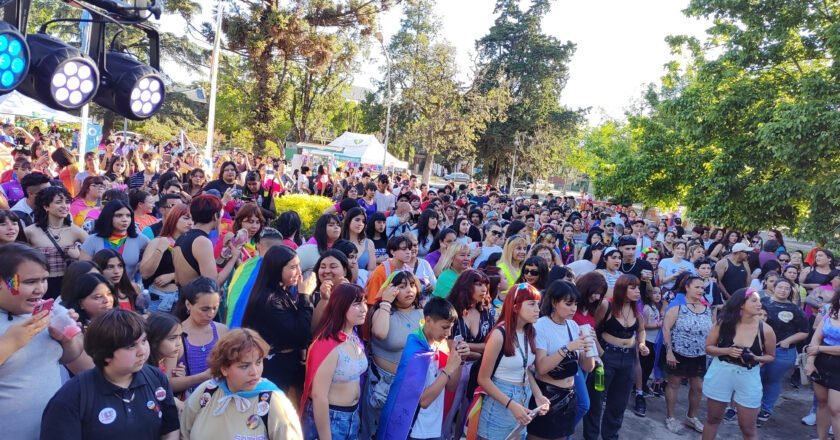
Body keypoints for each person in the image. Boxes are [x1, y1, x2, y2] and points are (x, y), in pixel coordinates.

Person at [40, 309, 179, 440]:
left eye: (143, 341)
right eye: (131, 346)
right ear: (105, 353)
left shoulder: (155, 378)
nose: (142, 351)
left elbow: (170, 429)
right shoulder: (74, 396)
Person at [0, 243, 85, 439]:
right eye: (30, 282)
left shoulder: (48, 310)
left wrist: (67, 341)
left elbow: (68, 358)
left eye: (44, 280)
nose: (40, 289)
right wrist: (10, 343)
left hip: (54, 428)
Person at [180, 328, 303, 439]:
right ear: (224, 368)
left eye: (259, 362)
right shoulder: (207, 391)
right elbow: (183, 434)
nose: (254, 372)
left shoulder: (274, 401)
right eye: (245, 366)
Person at [377, 296, 468, 440]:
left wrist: (459, 360)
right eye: (444, 327)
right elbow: (424, 401)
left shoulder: (441, 344)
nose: (448, 334)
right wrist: (448, 369)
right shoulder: (415, 349)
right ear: (429, 320)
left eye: (450, 328)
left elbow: (451, 386)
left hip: (434, 428)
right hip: (413, 430)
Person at [701, 288, 776, 440]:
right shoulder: (723, 323)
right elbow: (708, 348)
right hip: (721, 370)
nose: (759, 304)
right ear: (741, 304)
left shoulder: (766, 330)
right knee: (713, 419)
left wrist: (755, 358)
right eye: (754, 300)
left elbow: (770, 356)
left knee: (748, 428)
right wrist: (727, 351)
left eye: (759, 300)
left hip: (748, 375)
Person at [241, 245, 313, 396]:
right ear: (276, 268)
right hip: (274, 367)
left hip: (286, 363)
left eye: (299, 266)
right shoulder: (269, 299)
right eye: (293, 267)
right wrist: (305, 296)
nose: (299, 272)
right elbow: (300, 331)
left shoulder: (282, 291)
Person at [585, 274, 650, 440]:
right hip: (607, 356)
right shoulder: (607, 305)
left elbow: (641, 329)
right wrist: (601, 354)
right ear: (622, 289)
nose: (637, 292)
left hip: (628, 359)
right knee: (596, 401)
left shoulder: (636, 307)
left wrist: (642, 344)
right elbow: (592, 330)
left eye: (638, 288)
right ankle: (591, 436)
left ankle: (611, 436)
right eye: (633, 288)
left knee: (619, 403)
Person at [361, 271, 424, 439]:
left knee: (399, 431)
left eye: (412, 285)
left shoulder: (421, 313)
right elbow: (380, 333)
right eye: (402, 287)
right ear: (391, 289)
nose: (409, 290)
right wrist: (386, 302)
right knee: (375, 430)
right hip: (383, 383)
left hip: (409, 383)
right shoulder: (383, 312)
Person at [301, 283, 368, 440]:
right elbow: (319, 396)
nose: (364, 308)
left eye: (364, 302)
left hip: (353, 416)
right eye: (357, 303)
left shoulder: (355, 337)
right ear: (341, 306)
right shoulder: (326, 344)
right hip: (330, 420)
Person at [531, 280, 596, 439]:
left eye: (575, 304)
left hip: (569, 396)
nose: (573, 308)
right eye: (568, 304)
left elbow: (588, 367)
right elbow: (541, 368)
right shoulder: (541, 326)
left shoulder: (573, 326)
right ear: (554, 302)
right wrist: (567, 348)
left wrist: (589, 348)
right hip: (547, 395)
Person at [662, 275, 713, 433]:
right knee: (674, 384)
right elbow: (666, 329)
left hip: (699, 354)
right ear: (687, 287)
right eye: (697, 287)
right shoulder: (677, 307)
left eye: (702, 288)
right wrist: (669, 351)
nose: (700, 290)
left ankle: (692, 417)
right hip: (678, 353)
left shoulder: (706, 309)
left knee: (697, 387)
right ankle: (670, 417)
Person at [758, 278, 808, 423]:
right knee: (754, 380)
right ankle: (746, 407)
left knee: (772, 381)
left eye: (787, 288)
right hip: (759, 349)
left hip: (782, 352)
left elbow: (804, 331)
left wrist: (789, 340)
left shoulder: (795, 309)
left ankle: (766, 410)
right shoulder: (762, 302)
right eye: (780, 287)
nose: (783, 290)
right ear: (774, 287)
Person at [25, 186, 87, 298]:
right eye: (59, 202)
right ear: (46, 206)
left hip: (68, 283)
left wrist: (79, 256)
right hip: (42, 285)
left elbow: (95, 256)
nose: (65, 206)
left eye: (67, 202)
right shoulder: (30, 231)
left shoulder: (76, 231)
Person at [225, 227, 286, 327]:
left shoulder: (245, 266)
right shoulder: (279, 268)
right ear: (281, 247)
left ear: (258, 246)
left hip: (232, 326)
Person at [174, 195, 240, 286]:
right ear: (215, 216)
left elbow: (178, 279)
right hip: (196, 298)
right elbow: (213, 284)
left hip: (183, 296)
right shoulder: (202, 241)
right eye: (221, 214)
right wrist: (234, 258)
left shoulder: (182, 237)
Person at [80, 199, 149, 281]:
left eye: (128, 215)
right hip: (100, 289)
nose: (125, 219)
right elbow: (83, 271)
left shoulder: (141, 239)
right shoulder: (92, 240)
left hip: (128, 290)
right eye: (119, 215)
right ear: (108, 217)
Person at [139, 204, 192, 312]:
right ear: (174, 218)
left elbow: (198, 273)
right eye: (186, 218)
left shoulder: (193, 244)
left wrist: (173, 276)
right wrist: (160, 250)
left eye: (193, 219)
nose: (190, 222)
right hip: (159, 299)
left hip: (184, 300)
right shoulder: (158, 241)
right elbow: (145, 273)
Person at [805, 288, 840, 440]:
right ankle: (822, 438)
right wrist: (810, 362)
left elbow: (817, 345)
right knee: (822, 403)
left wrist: (819, 348)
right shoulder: (831, 312)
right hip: (821, 363)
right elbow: (816, 337)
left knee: (836, 409)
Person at [365, 235, 413, 305]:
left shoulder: (409, 270)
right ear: (392, 252)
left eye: (409, 249)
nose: (408, 252)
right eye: (403, 249)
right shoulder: (381, 271)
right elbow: (372, 301)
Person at [341, 207, 376, 272]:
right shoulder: (339, 242)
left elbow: (372, 270)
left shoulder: (369, 243)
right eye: (357, 220)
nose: (360, 224)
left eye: (363, 221)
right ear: (348, 221)